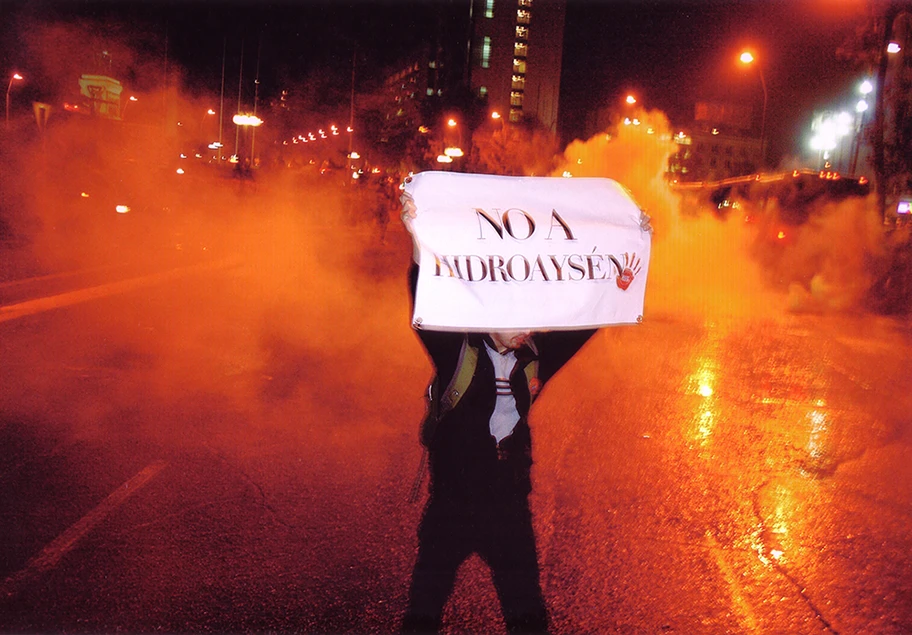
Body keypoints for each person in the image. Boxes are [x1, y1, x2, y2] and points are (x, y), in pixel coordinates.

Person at [399, 192, 597, 634]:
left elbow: (592, 315)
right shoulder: (457, 350)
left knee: (527, 613)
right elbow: (422, 294)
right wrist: (417, 236)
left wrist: (630, 246)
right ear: (488, 310)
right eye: (517, 316)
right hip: (451, 504)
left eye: (532, 316)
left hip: (507, 506)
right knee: (423, 611)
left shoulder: (533, 354)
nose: (528, 327)